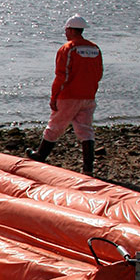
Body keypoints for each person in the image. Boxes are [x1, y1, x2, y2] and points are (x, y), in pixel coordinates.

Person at [27, 15, 103, 174]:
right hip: (88, 95)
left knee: (55, 126)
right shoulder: (94, 48)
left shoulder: (68, 49)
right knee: (85, 130)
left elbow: (62, 75)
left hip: (69, 95)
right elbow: (99, 73)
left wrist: (54, 96)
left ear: (69, 30)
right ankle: (88, 168)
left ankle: (41, 155)